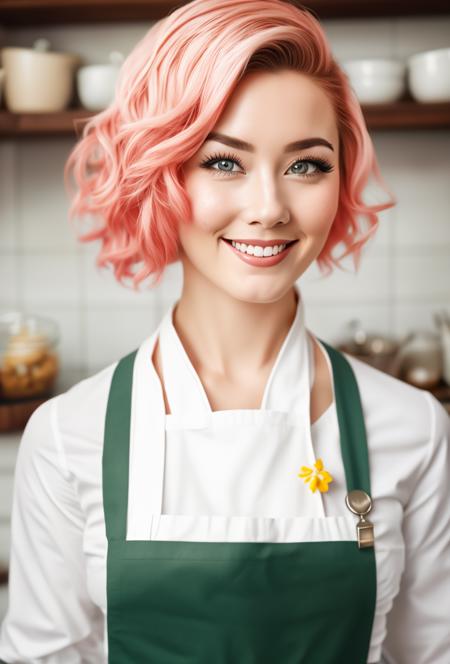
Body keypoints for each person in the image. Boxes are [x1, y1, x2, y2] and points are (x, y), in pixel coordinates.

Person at [1, 0, 449, 662]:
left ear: (341, 180)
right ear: (163, 176)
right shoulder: (70, 438)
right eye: (223, 162)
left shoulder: (412, 428)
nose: (269, 208)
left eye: (307, 164)